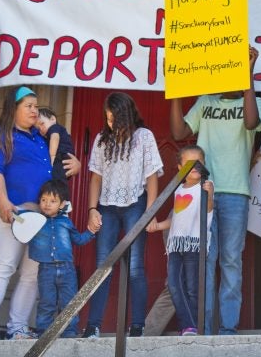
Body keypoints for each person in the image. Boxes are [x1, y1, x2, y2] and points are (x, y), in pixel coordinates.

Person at [169, 46, 261, 335]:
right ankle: (205, 327)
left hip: (236, 193)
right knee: (205, 261)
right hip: (204, 192)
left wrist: (247, 72)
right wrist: (174, 88)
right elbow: (177, 133)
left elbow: (251, 122)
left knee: (231, 259)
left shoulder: (255, 102)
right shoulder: (205, 102)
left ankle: (228, 327)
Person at [0, 86, 81, 340]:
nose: (35, 110)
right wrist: (3, 202)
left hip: (45, 217)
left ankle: (18, 327)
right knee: (3, 265)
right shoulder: (0, 134)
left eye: (36, 106)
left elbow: (59, 163)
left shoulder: (40, 137)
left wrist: (75, 164)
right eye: (29, 106)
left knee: (32, 274)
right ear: (14, 109)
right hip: (16, 211)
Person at [84, 92, 163, 339]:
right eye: (108, 118)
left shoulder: (144, 137)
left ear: (126, 115)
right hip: (106, 206)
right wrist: (92, 209)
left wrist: (150, 212)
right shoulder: (101, 140)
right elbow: (95, 177)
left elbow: (151, 177)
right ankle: (93, 326)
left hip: (135, 204)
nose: (111, 123)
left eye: (115, 118)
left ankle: (137, 325)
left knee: (136, 267)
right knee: (102, 266)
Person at [147, 145, 214, 336]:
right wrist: (158, 226)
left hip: (193, 245)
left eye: (198, 163)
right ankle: (189, 325)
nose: (194, 167)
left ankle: (192, 327)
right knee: (175, 284)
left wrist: (210, 195)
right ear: (179, 168)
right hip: (176, 245)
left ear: (204, 165)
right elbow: (177, 218)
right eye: (188, 163)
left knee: (193, 288)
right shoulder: (178, 190)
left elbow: (209, 210)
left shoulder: (205, 187)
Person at [28, 179, 95, 338]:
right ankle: (43, 332)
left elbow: (78, 240)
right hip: (46, 269)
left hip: (67, 269)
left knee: (69, 302)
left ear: (62, 204)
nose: (47, 204)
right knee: (46, 302)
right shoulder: (35, 221)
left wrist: (90, 232)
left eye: (52, 201)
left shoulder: (66, 222)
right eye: (43, 200)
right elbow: (21, 227)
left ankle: (69, 332)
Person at [36, 108, 75, 183]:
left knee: (56, 181)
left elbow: (55, 139)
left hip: (62, 157)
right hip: (63, 159)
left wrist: (52, 157)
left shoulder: (54, 128)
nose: (41, 128)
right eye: (38, 128)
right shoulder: (47, 134)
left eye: (42, 123)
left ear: (53, 119)